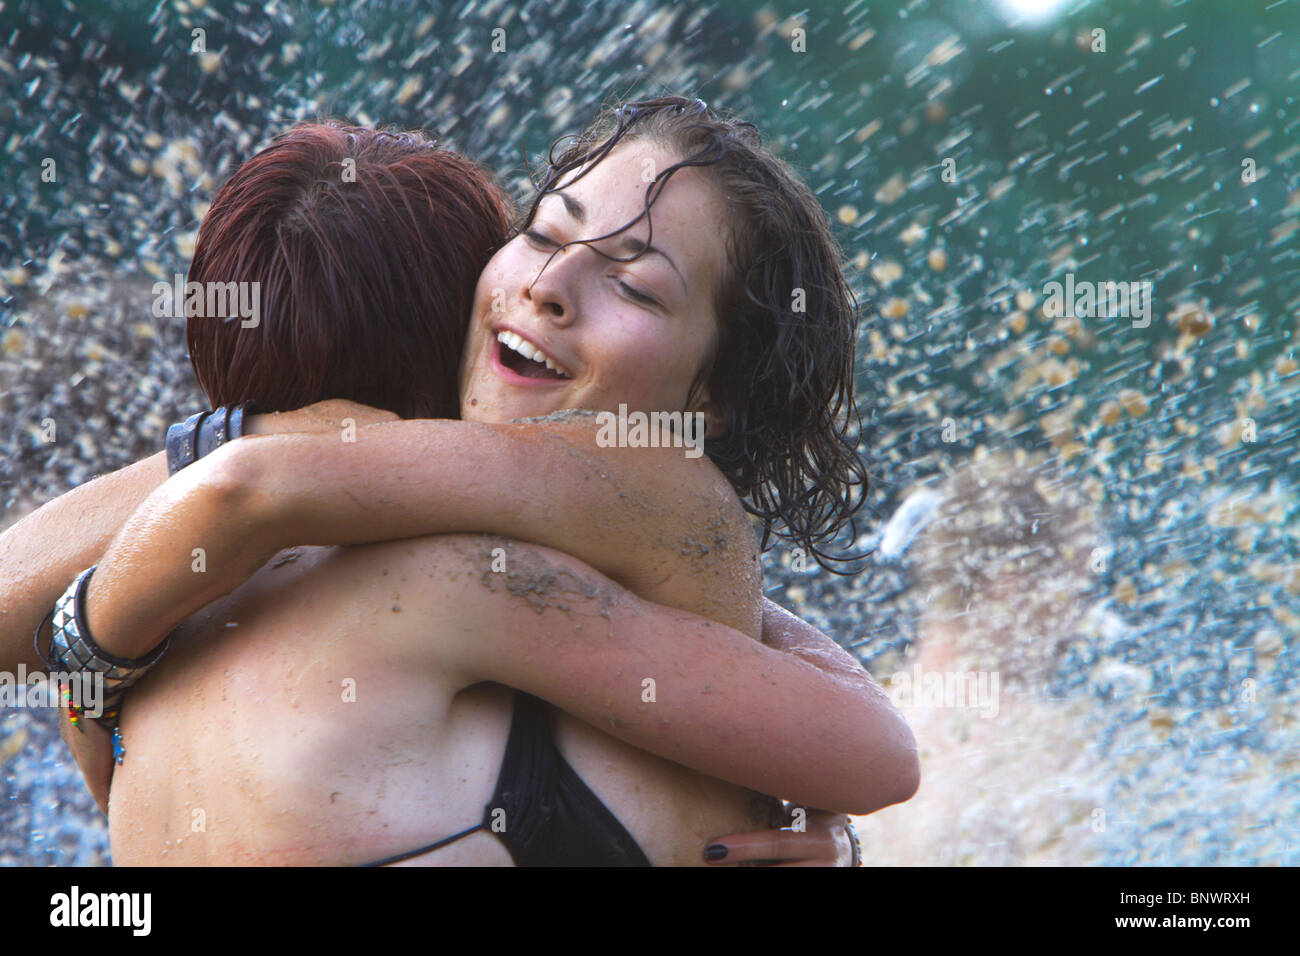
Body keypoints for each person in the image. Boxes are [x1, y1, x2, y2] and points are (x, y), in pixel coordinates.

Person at [11, 100, 918, 865]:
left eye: (636, 288)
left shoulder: (196, 623)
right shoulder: (513, 567)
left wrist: (89, 672)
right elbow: (879, 758)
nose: (549, 286)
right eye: (541, 233)